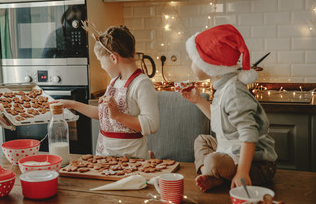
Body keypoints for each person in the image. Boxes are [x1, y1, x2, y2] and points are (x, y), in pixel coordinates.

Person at [181, 24, 277, 192]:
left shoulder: (234, 92)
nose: (192, 65)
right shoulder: (222, 87)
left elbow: (249, 134)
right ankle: (217, 177)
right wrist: (198, 101)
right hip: (232, 150)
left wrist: (242, 171)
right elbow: (220, 119)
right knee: (202, 141)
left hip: (257, 163)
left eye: (194, 60)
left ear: (210, 65)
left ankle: (219, 175)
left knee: (213, 161)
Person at [57, 22, 159, 159]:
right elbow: (103, 115)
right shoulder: (114, 81)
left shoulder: (142, 84)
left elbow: (152, 125)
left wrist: (118, 116)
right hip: (105, 158)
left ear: (113, 58)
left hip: (131, 161)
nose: (102, 66)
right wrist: (71, 104)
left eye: (101, 61)